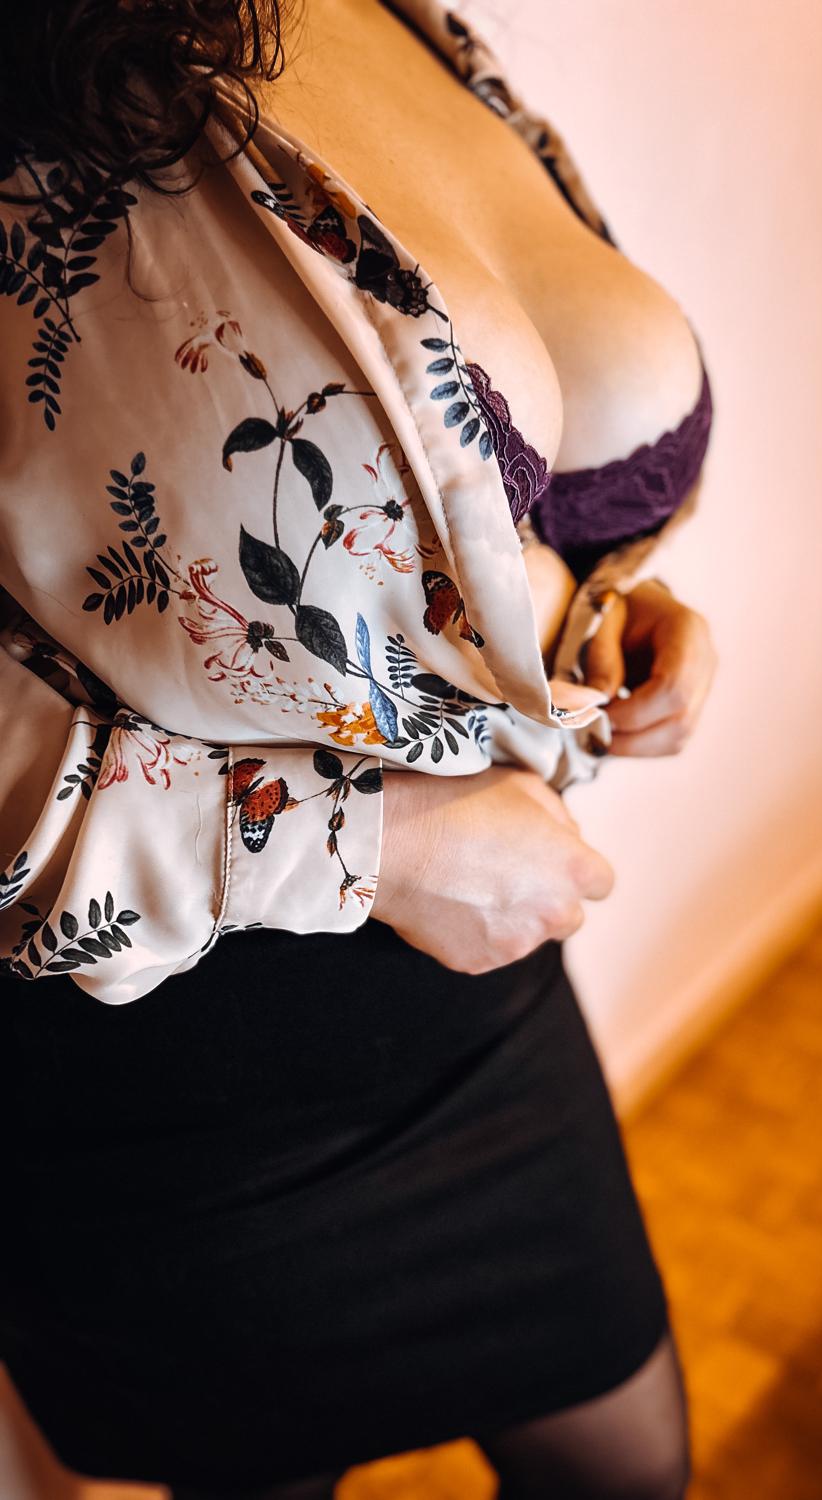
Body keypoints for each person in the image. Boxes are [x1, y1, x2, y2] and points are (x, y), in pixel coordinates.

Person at [0, 2, 717, 1496]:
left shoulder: (411, 21)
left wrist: (611, 608)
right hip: (176, 1085)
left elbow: (463, 510)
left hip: (481, 1011)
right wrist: (373, 844)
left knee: (630, 1472)